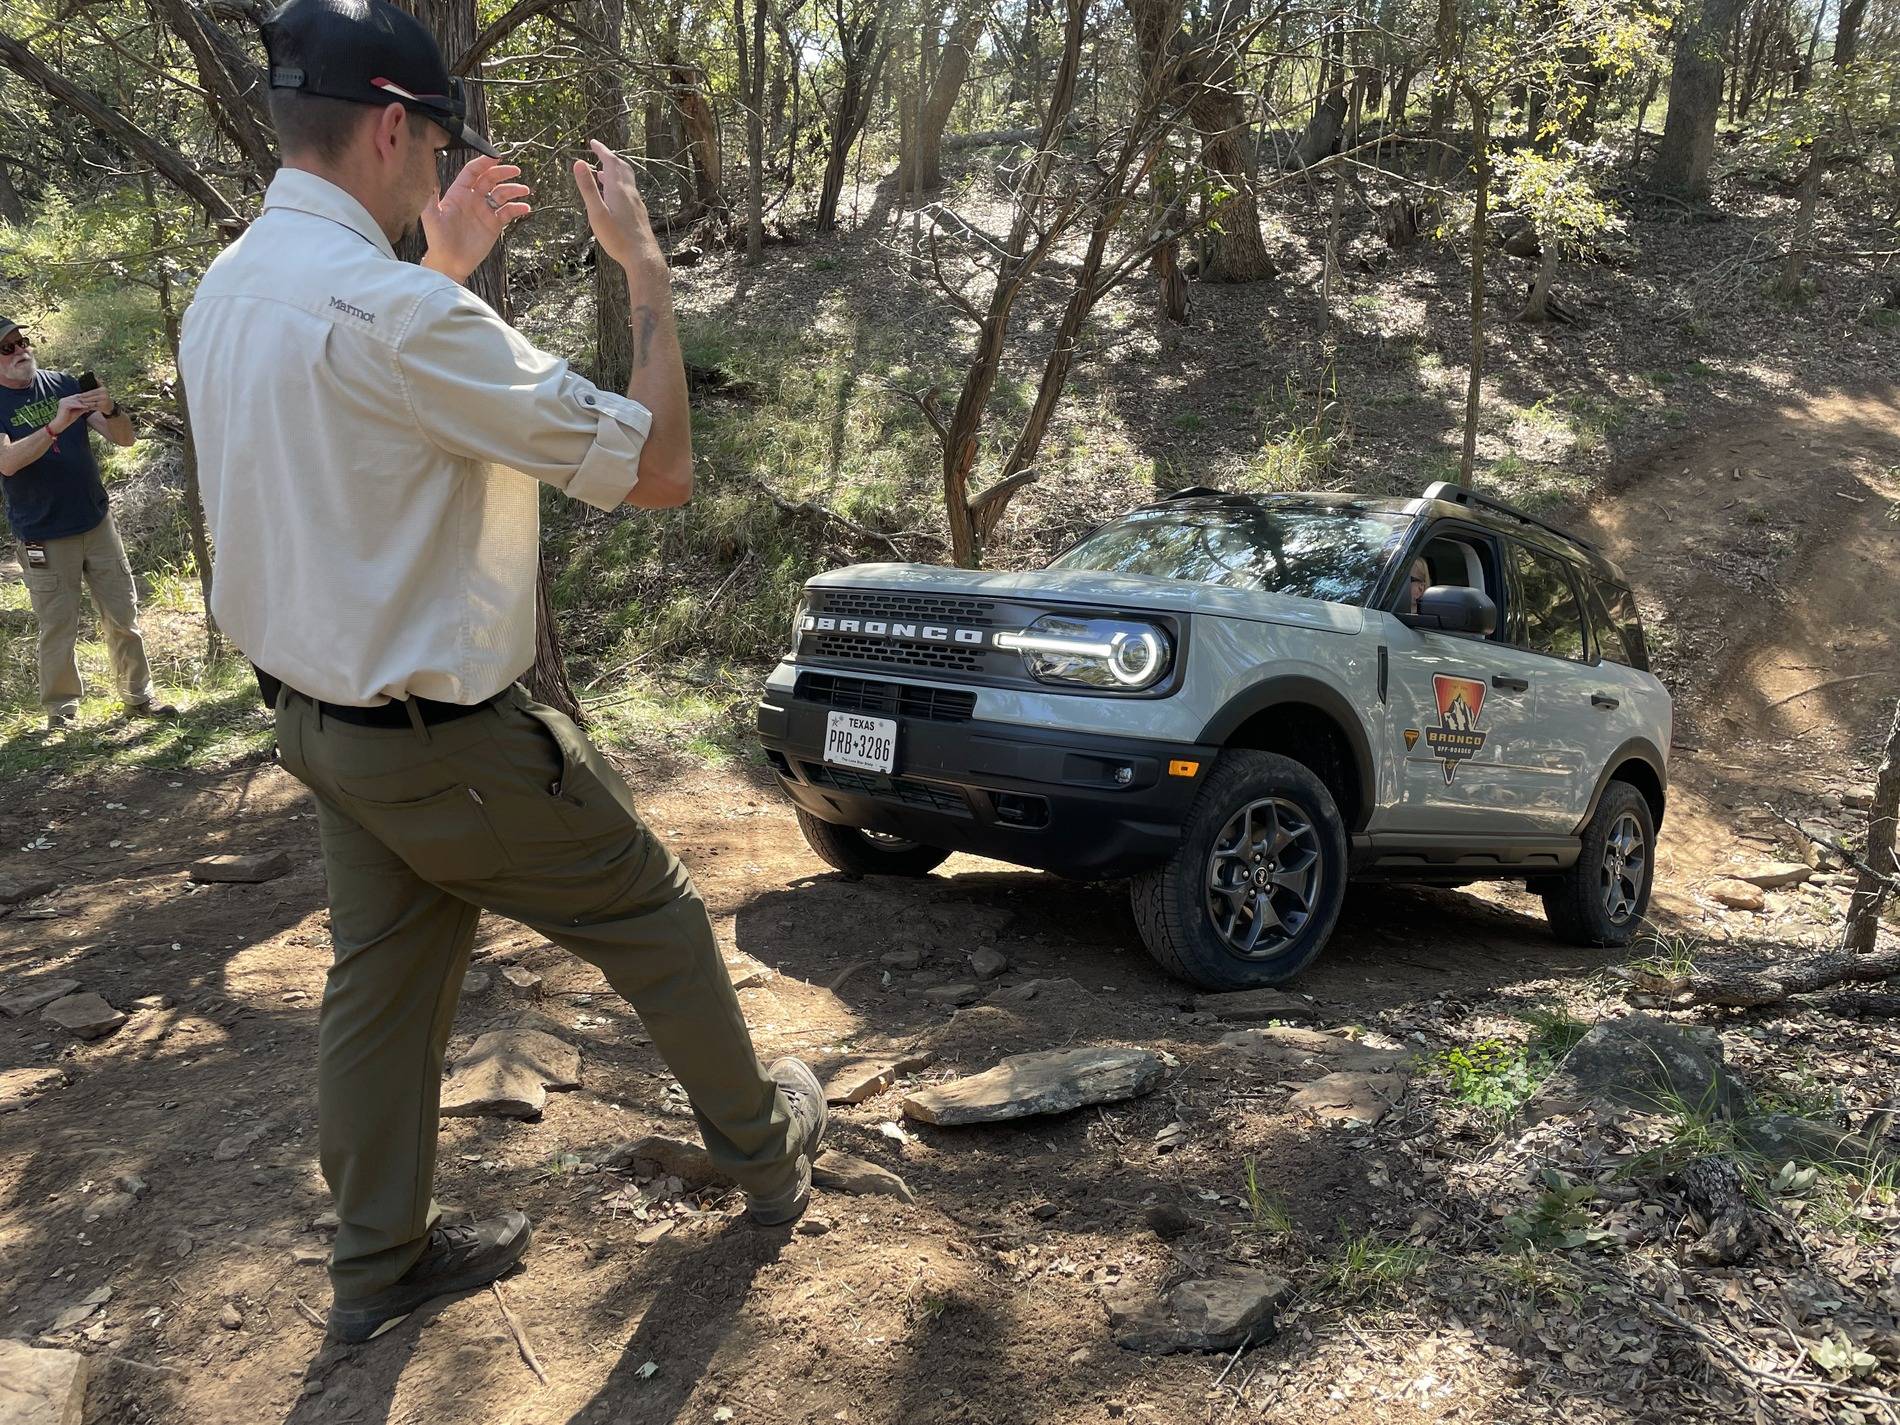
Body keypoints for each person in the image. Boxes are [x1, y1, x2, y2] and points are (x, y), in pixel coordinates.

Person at [179, 0, 827, 1345]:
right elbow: (656, 471)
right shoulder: (394, 310)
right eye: (431, 149)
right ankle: (769, 1158)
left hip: (320, 726)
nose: (437, 171)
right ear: (393, 126)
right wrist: (644, 272)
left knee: (384, 978)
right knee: (657, 916)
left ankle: (378, 1266)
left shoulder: (233, 285)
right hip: (447, 745)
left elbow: (377, 440)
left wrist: (441, 260)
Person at [0, 319, 178, 730]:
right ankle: (61, 714)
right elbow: (7, 462)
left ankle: (139, 697)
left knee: (122, 612)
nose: (19, 351)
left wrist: (109, 408)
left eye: (21, 342)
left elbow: (124, 439)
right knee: (57, 624)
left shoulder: (61, 384)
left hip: (95, 522)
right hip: (43, 531)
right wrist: (55, 425)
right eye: (6, 348)